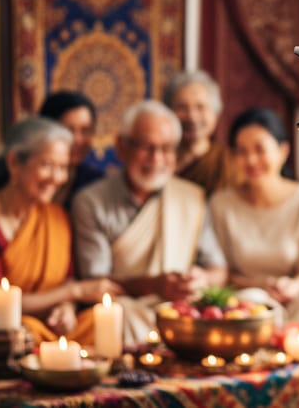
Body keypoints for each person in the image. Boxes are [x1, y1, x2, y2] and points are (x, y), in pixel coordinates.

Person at [0, 117, 123, 360]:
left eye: (63, 167)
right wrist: (73, 292)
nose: (57, 177)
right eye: (47, 165)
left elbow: (64, 282)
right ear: (14, 163)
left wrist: (66, 310)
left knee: (99, 323)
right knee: (24, 334)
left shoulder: (57, 218)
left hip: (43, 331)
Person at [71, 100, 228, 343]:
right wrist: (153, 285)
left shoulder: (191, 197)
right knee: (118, 318)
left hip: (181, 309)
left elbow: (218, 269)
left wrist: (200, 280)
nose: (156, 159)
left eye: (166, 149)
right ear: (121, 147)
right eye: (146, 147)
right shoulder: (91, 202)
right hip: (129, 310)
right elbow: (96, 283)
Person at [208, 107, 299, 326]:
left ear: (283, 151)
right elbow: (222, 273)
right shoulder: (221, 204)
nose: (251, 160)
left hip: (294, 297)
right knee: (252, 307)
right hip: (246, 300)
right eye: (241, 151)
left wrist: (291, 287)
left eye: (259, 149)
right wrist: (261, 286)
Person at [163, 71, 236, 195]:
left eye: (200, 107)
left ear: (215, 114)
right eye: (182, 107)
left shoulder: (228, 164)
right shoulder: (157, 161)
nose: (192, 116)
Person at [38, 91, 104, 209]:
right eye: (68, 130)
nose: (77, 140)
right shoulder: (27, 178)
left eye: (85, 131)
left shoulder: (97, 184)